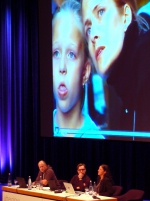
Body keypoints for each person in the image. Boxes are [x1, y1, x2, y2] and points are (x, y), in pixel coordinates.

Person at [81, 0, 150, 136]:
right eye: (88, 29)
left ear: (125, 16)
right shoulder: (126, 95)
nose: (93, 35)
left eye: (100, 12)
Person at [52, 0, 102, 138]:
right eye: (56, 53)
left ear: (85, 71)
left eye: (71, 54)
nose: (62, 67)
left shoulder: (97, 139)